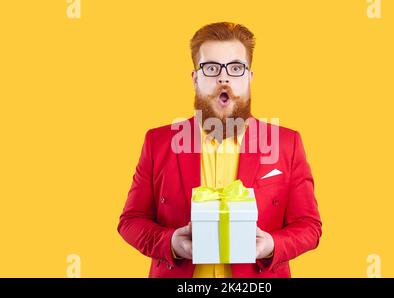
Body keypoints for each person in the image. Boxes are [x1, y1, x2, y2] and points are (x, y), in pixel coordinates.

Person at [117, 22, 322, 278]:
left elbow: (310, 226)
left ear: (249, 77)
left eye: (236, 68)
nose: (223, 77)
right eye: (211, 68)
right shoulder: (158, 142)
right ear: (195, 78)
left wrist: (272, 245)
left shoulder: (286, 143)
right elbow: (131, 221)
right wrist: (170, 242)